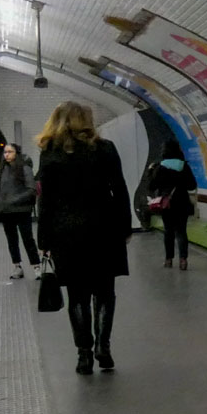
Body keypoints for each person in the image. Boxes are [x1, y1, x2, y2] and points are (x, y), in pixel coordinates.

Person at [36, 101, 130, 375]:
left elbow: (46, 201)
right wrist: (125, 228)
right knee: (105, 292)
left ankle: (84, 355)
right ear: (86, 121)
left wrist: (44, 240)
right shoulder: (105, 148)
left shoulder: (50, 153)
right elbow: (120, 190)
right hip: (104, 229)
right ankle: (103, 346)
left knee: (77, 295)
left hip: (67, 233)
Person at [0, 143, 41, 280]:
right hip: (6, 211)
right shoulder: (2, 169)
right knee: (11, 240)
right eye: (5, 152)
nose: (6, 154)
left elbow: (31, 189)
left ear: (17, 153)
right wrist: (0, 201)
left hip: (22, 210)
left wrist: (13, 200)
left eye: (10, 152)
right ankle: (17, 266)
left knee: (28, 239)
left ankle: (36, 267)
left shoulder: (25, 168)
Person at [149, 140, 197, 270]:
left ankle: (168, 259)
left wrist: (151, 172)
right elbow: (192, 186)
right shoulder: (184, 166)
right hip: (182, 203)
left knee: (168, 231)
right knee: (181, 231)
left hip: (167, 204)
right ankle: (183, 260)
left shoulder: (160, 167)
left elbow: (151, 186)